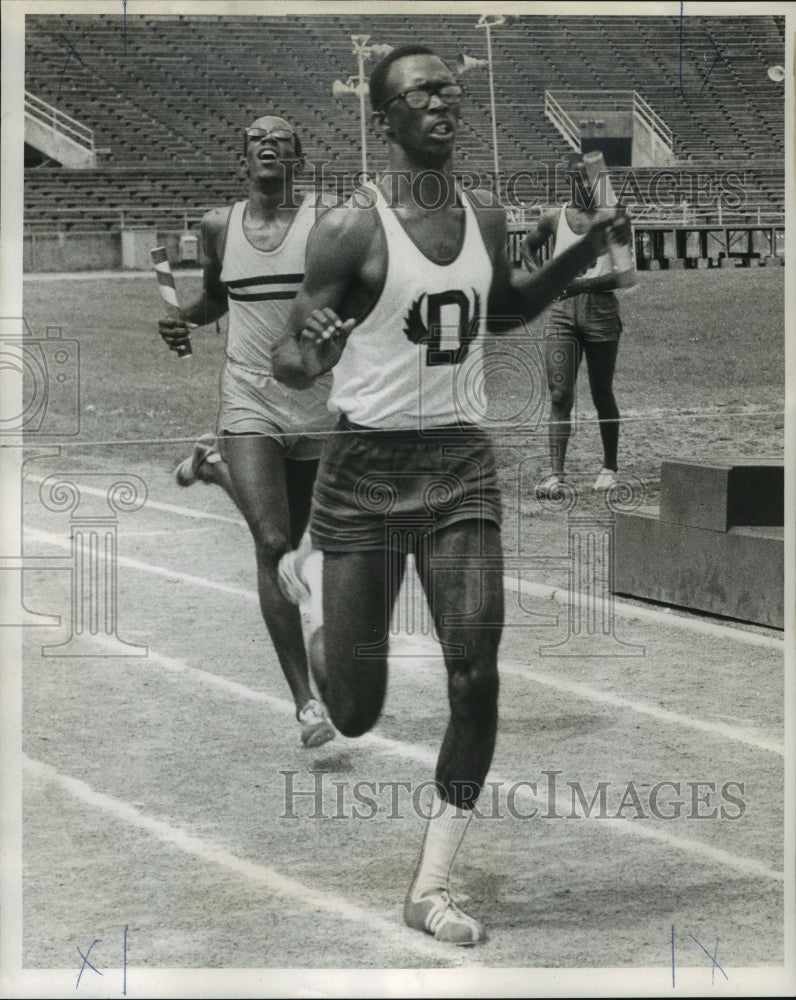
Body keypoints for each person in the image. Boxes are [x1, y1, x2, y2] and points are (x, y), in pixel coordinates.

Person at [272, 45, 629, 945]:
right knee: (355, 709)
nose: (444, 101)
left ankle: (430, 886)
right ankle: (309, 582)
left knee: (476, 676)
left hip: (460, 466)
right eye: (422, 92)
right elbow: (293, 355)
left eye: (451, 91)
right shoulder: (351, 227)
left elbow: (502, 308)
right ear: (386, 117)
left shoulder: (484, 212)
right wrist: (308, 351)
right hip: (363, 471)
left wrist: (583, 247)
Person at [158, 115, 336, 749]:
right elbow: (215, 300)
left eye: (282, 136)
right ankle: (305, 703)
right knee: (272, 540)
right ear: (244, 158)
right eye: (257, 137)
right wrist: (181, 317)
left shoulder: (326, 224)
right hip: (249, 398)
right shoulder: (219, 225)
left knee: (312, 548)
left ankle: (212, 467)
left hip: (319, 401)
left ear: (298, 157)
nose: (268, 141)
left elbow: (358, 299)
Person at [522, 151, 626, 499]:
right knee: (559, 394)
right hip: (563, 315)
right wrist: (544, 279)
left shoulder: (614, 218)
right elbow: (528, 245)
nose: (581, 185)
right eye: (574, 179)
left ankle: (609, 468)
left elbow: (625, 275)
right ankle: (555, 474)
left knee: (601, 393)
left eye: (587, 178)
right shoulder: (555, 217)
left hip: (601, 312)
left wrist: (580, 285)